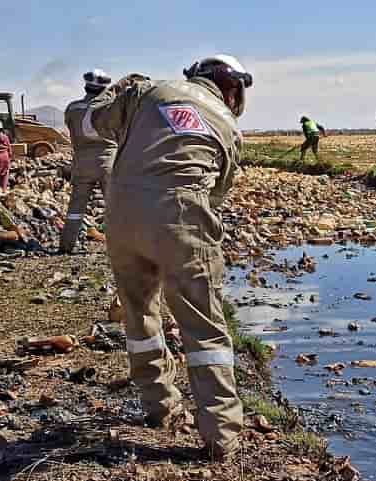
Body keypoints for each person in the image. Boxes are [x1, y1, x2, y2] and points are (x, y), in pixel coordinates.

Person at [84, 54, 252, 460]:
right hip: (181, 216)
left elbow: (92, 124)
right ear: (231, 89)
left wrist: (117, 91)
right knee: (204, 326)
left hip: (121, 213)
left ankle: (159, 406)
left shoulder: (149, 91)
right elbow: (216, 195)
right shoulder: (228, 126)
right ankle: (221, 437)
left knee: (140, 313)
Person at [59, 69, 118, 253]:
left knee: (76, 207)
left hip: (82, 162)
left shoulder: (72, 108)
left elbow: (71, 127)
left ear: (86, 86)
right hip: (107, 161)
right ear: (104, 89)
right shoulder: (111, 106)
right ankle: (120, 246)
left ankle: (66, 245)